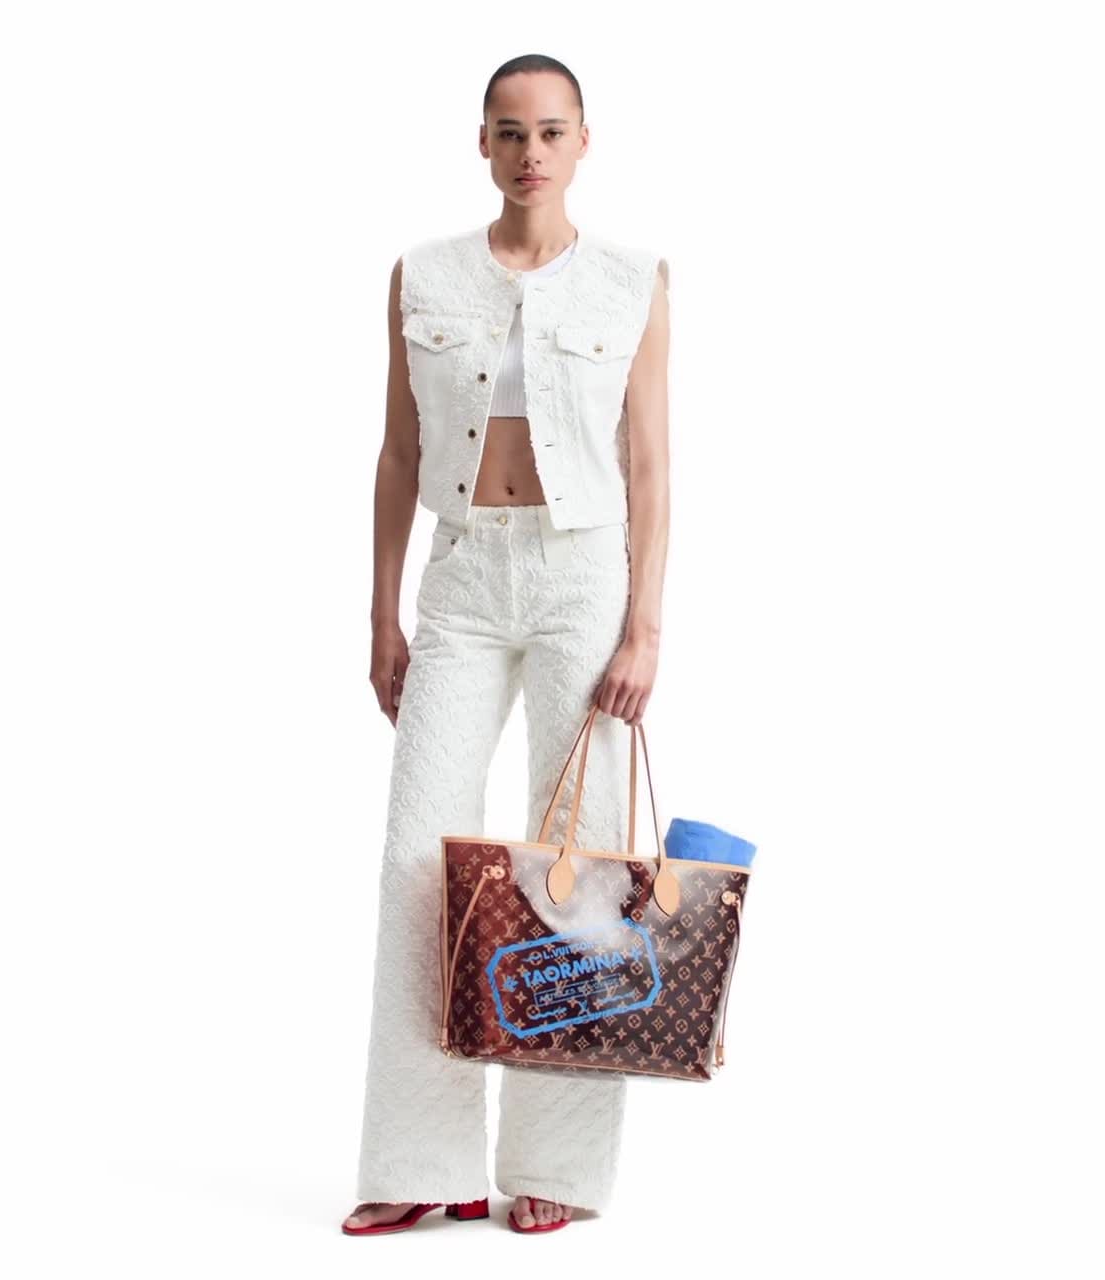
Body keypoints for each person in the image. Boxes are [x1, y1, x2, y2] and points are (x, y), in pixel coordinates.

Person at [342, 52, 670, 1236]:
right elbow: (396, 451)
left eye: (551, 130)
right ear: (481, 142)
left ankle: (556, 1164)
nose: (531, 151)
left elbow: (649, 467)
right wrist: (380, 611)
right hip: (464, 576)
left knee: (573, 865)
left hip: (583, 576)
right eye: (510, 131)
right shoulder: (421, 274)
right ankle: (419, 1156)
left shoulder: (633, 281)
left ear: (582, 142)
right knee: (415, 855)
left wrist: (642, 629)